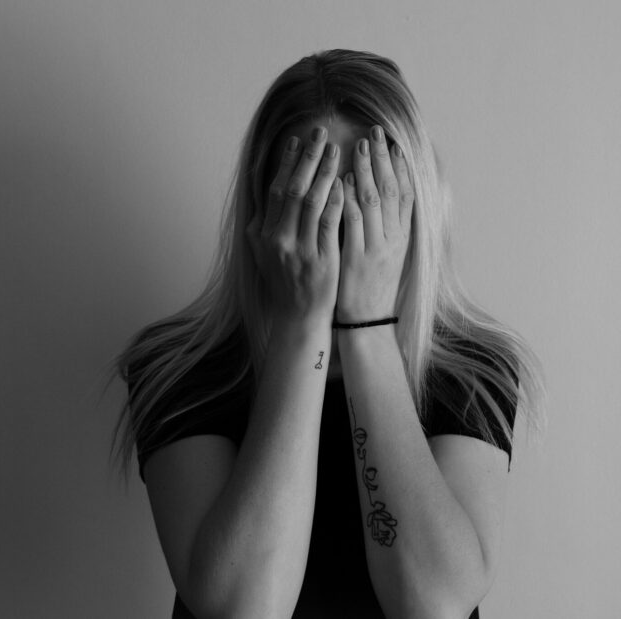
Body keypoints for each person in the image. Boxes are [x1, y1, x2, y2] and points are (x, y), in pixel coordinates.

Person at [112, 49, 542, 618]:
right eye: (311, 200)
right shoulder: (179, 369)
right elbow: (243, 608)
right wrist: (300, 327)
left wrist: (368, 327)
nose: (339, 233)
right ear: (262, 210)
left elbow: (435, 604)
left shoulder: (473, 371)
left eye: (367, 200)